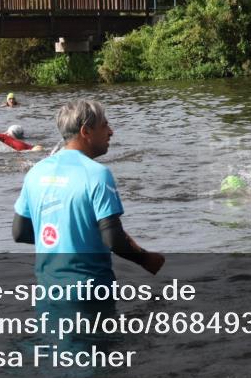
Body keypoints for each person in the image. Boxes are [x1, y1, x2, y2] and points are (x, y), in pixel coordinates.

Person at [12, 100, 164, 288]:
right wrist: (145, 259)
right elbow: (113, 240)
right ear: (85, 131)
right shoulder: (97, 174)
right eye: (104, 125)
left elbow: (20, 232)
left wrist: (66, 238)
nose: (111, 131)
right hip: (90, 290)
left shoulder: (36, 171)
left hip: (47, 289)